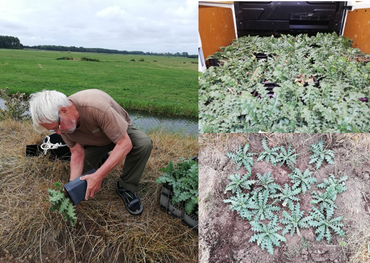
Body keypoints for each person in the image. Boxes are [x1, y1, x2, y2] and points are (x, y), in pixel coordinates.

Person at [29, 89, 153, 215]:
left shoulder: (98, 108)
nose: (58, 133)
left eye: (57, 127)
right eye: (53, 130)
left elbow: (125, 144)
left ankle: (126, 187)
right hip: (95, 141)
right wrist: (73, 190)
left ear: (65, 111)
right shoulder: (63, 125)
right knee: (82, 179)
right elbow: (77, 153)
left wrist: (99, 175)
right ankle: (104, 160)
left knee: (143, 144)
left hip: (120, 134)